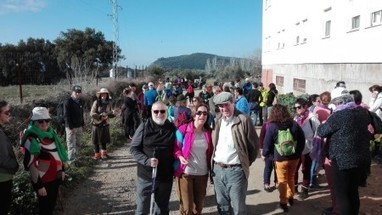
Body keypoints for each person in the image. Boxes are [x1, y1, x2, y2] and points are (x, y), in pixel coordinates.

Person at [317, 87, 371, 215]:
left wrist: (324, 122)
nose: (334, 106)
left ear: (339, 102)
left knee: (342, 195)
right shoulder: (362, 112)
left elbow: (321, 132)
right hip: (360, 158)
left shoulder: (339, 115)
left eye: (335, 103)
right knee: (353, 192)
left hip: (342, 161)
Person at [211, 92, 259, 214]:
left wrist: (244, 163)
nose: (224, 108)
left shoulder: (244, 120)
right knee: (222, 205)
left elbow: (254, 147)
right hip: (217, 170)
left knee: (238, 207)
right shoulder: (218, 120)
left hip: (236, 171)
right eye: (221, 106)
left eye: (227, 105)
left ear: (233, 103)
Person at [130, 102, 176, 215]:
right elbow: (134, 149)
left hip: (165, 176)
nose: (159, 114)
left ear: (167, 112)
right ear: (151, 112)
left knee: (162, 209)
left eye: (162, 111)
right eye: (156, 111)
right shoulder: (144, 127)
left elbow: (178, 148)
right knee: (142, 208)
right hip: (146, 175)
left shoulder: (172, 128)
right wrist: (146, 160)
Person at [20, 107, 67, 215]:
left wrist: (62, 169)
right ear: (34, 122)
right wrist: (39, 185)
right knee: (45, 209)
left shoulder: (52, 134)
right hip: (43, 181)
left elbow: (58, 153)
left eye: (47, 120)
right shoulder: (31, 139)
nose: (44, 123)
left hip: (55, 177)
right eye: (40, 121)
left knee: (51, 207)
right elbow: (31, 164)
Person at [262, 104, 305, 213]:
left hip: (280, 158)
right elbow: (302, 140)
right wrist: (298, 152)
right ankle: (290, 197)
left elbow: (267, 143)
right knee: (291, 177)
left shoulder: (272, 126)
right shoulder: (294, 124)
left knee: (282, 180)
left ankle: (283, 202)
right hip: (294, 157)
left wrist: (266, 154)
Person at [174, 103, 213, 215]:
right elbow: (176, 147)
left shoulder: (208, 132)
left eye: (205, 113)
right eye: (199, 113)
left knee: (199, 207)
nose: (202, 115)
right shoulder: (183, 129)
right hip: (186, 173)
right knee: (188, 208)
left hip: (202, 173)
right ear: (194, 115)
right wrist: (180, 156)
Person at [293, 98, 320, 200]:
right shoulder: (296, 118)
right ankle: (294, 188)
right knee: (295, 168)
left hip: (308, 147)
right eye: (295, 108)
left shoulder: (312, 119)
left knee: (305, 169)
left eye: (299, 107)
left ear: (305, 106)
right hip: (296, 148)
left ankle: (305, 190)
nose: (297, 109)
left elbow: (318, 134)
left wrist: (315, 148)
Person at [0, 100, 19, 215]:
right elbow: (2, 158)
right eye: (6, 112)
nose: (9, 114)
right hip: (3, 178)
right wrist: (15, 165)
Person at [90, 88, 116, 160]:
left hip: (105, 123)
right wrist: (100, 116)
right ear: (100, 95)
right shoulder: (96, 102)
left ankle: (104, 154)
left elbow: (110, 114)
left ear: (107, 95)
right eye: (102, 93)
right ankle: (97, 155)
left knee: (104, 140)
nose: (103, 95)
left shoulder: (109, 103)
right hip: (96, 123)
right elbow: (92, 113)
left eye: (105, 94)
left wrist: (113, 114)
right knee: (96, 140)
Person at [64, 85, 85, 166]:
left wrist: (82, 124)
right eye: (76, 92)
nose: (77, 94)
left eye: (79, 92)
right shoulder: (68, 101)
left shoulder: (80, 101)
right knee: (71, 145)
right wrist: (70, 127)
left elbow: (81, 114)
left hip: (79, 126)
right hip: (71, 127)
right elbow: (66, 116)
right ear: (72, 92)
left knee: (78, 143)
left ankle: (76, 159)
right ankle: (71, 162)